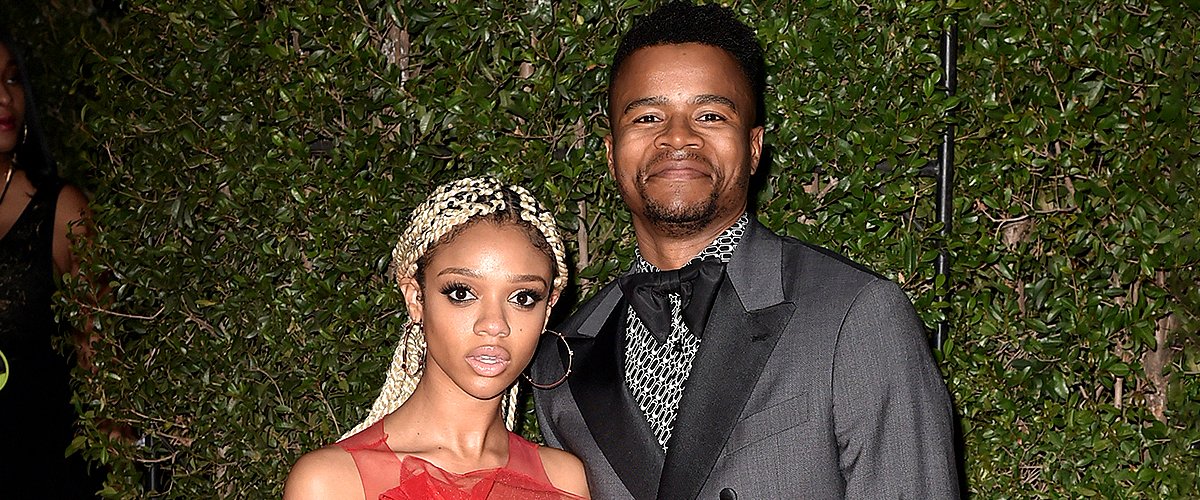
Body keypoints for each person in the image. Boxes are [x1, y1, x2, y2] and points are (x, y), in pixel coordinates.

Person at [530, 2, 960, 498]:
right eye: (648, 116)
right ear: (611, 153)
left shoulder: (855, 315)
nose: (677, 138)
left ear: (754, 148)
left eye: (709, 115)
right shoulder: (561, 357)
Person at [285, 176, 590, 499]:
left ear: (548, 309)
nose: (494, 324)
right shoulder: (330, 483)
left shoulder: (566, 481)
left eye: (523, 298)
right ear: (416, 298)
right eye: (462, 293)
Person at [0, 28, 104, 498]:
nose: (4, 96)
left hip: (43, 469)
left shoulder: (63, 210)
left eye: (13, 79)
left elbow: (100, 358)